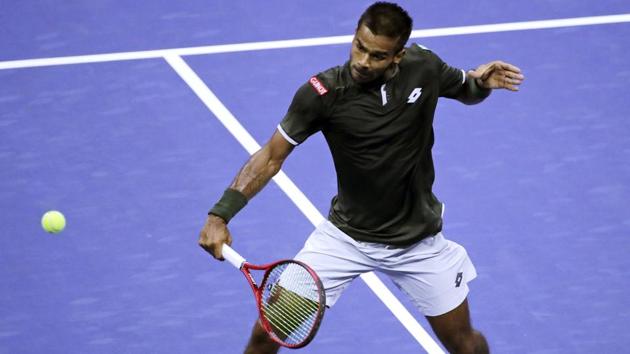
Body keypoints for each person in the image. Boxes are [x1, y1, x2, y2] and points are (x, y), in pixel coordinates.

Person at [199, 2, 524, 353]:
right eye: (359, 47)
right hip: (344, 240)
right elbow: (270, 157)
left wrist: (482, 84)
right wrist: (220, 215)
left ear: (398, 56)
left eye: (377, 56)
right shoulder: (322, 94)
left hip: (417, 244)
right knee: (267, 335)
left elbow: (466, 89)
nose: (363, 61)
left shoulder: (424, 67)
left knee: (465, 345)